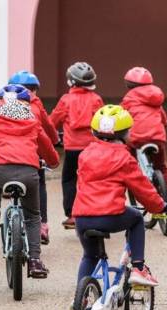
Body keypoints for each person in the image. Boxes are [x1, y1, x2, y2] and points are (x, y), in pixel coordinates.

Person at [72, 104, 167, 286]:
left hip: (82, 218)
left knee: (89, 255)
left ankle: (80, 300)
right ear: (124, 134)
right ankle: (139, 268)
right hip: (109, 216)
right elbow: (142, 189)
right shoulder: (124, 158)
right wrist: (160, 206)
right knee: (137, 219)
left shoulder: (85, 155)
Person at [0, 85, 59, 277]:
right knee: (34, 216)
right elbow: (50, 152)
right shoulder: (33, 123)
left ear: (1, 103)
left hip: (1, 172)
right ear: (26, 104)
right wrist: (52, 162)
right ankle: (35, 261)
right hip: (29, 174)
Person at [50, 62, 104, 229]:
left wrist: (52, 138)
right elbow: (102, 122)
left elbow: (53, 121)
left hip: (72, 149)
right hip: (92, 148)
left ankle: (73, 215)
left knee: (69, 179)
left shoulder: (66, 100)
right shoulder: (96, 99)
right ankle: (97, 213)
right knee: (93, 180)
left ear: (71, 82)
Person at [8, 70, 59, 244]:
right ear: (34, 90)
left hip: (7, 154)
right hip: (32, 154)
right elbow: (48, 127)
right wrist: (55, 140)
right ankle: (42, 224)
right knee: (39, 183)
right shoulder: (36, 104)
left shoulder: (3, 105)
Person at [121, 67, 167, 214]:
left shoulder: (128, 98)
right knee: (161, 166)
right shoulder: (157, 99)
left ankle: (142, 196)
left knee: (130, 166)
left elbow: (121, 117)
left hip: (136, 139)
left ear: (129, 84)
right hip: (157, 138)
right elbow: (165, 121)